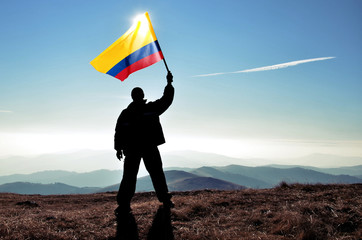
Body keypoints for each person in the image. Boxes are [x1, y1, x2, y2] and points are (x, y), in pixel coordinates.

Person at [114, 72, 175, 215]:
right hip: (142, 148)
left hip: (139, 148)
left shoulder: (131, 112)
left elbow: (166, 100)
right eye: (137, 94)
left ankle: (125, 204)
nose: (138, 96)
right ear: (138, 96)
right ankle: (164, 199)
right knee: (146, 175)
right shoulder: (140, 111)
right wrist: (118, 148)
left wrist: (169, 84)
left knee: (145, 175)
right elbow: (119, 132)